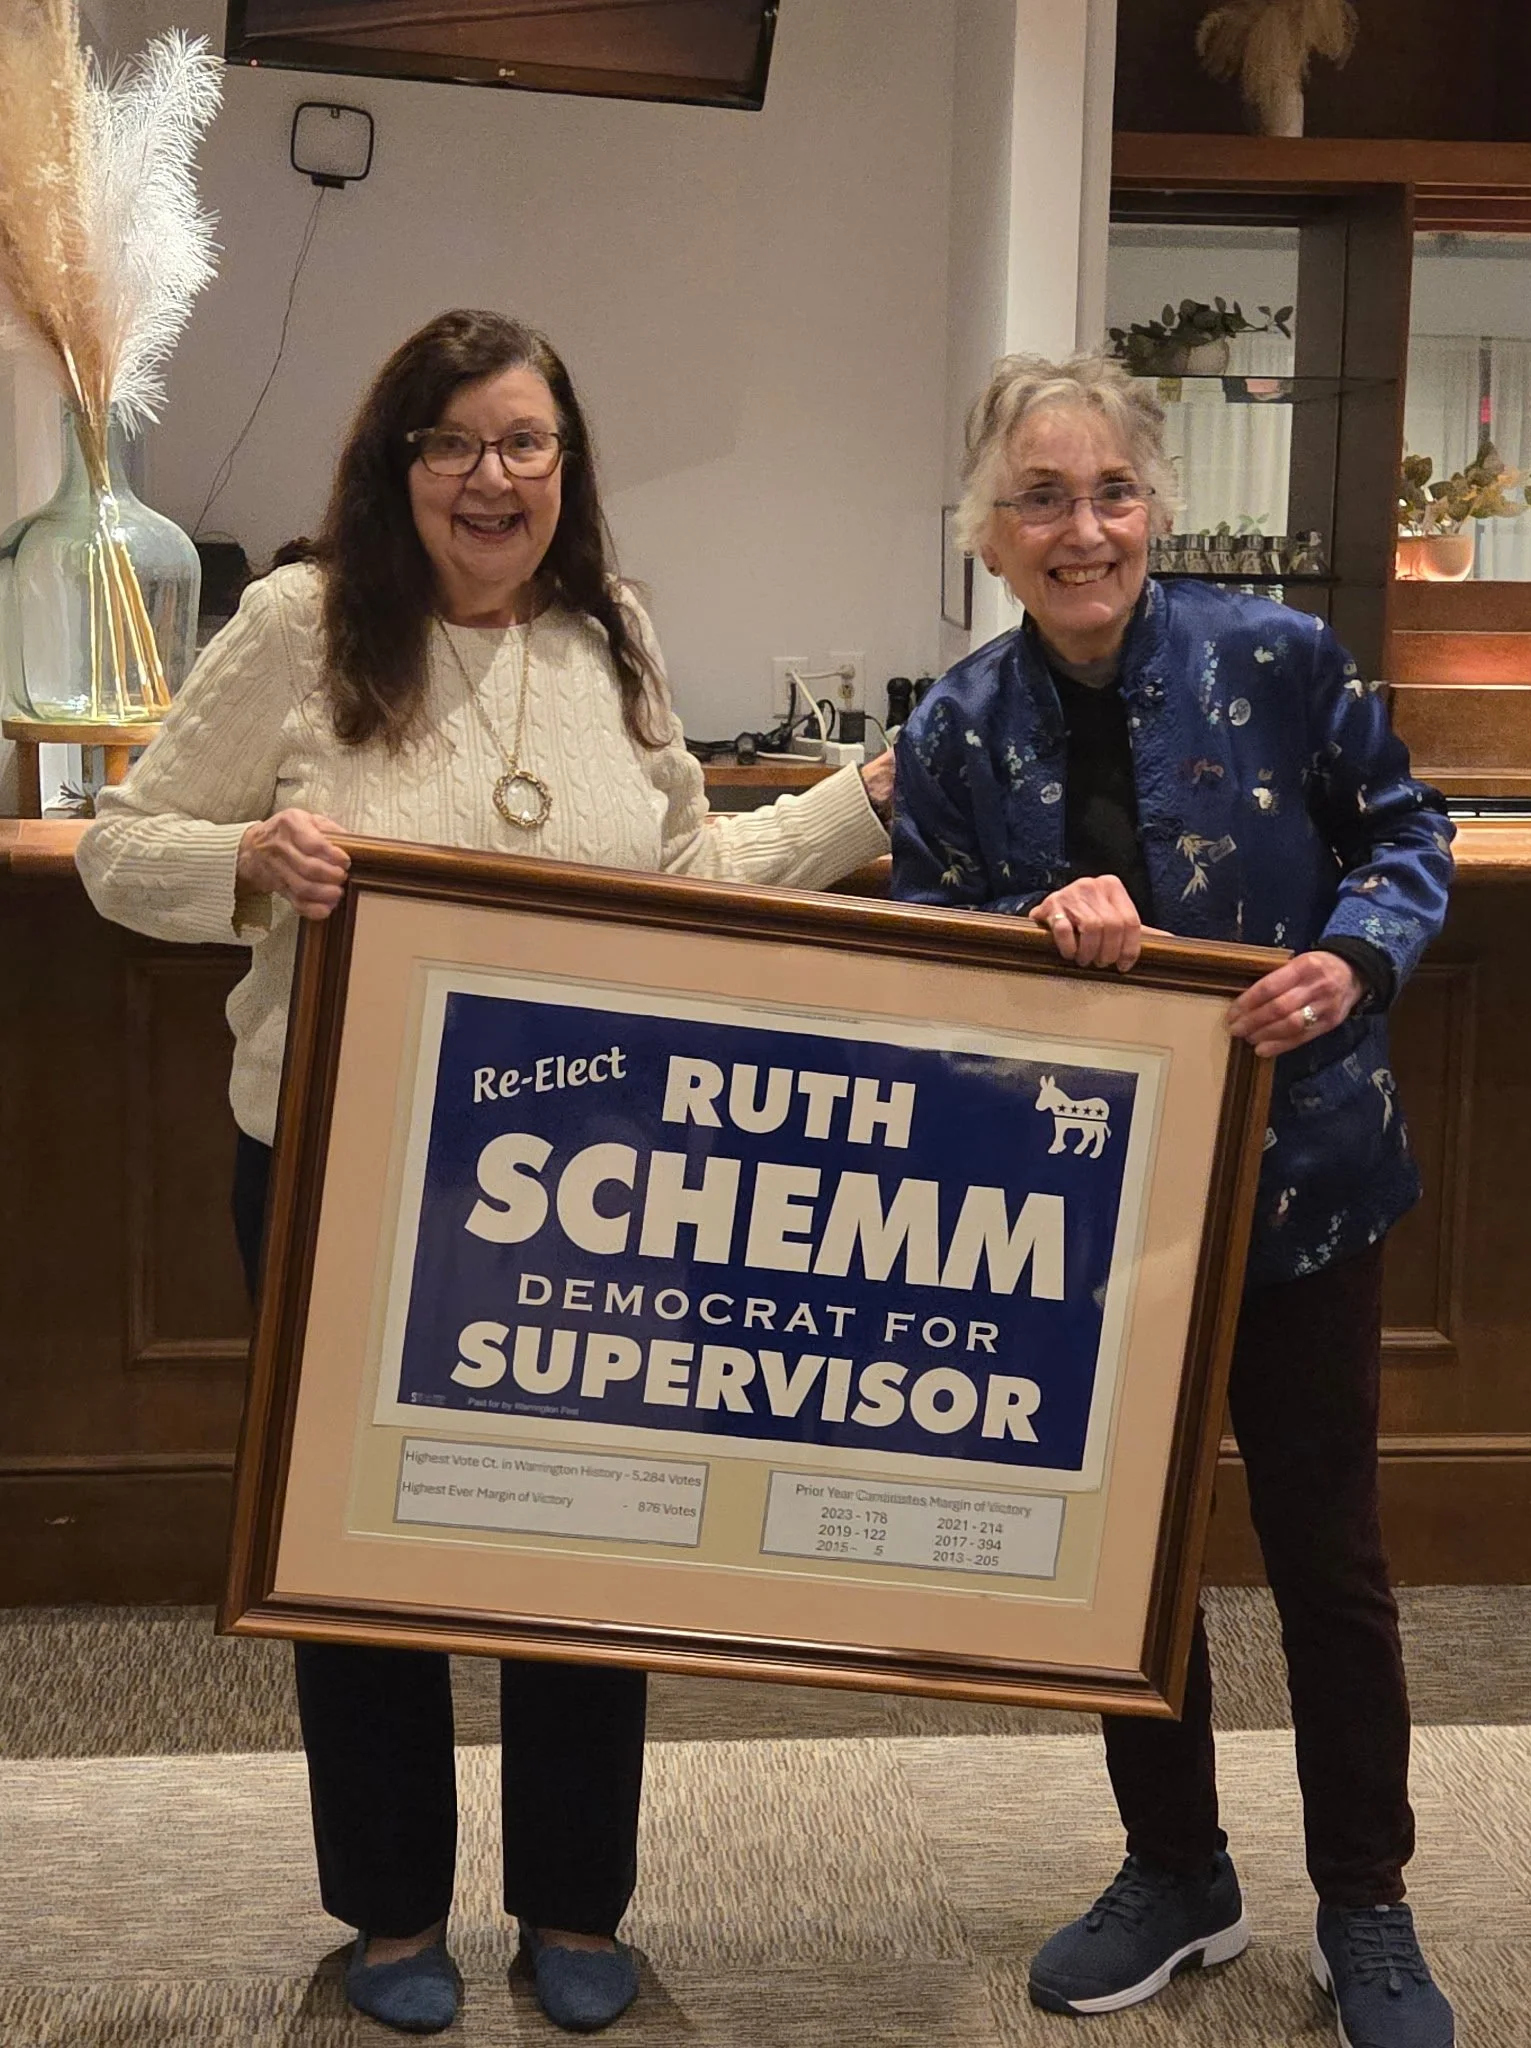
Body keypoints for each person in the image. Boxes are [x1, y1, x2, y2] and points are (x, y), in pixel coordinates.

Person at [77, 308, 891, 2036]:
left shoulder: (614, 636)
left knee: (585, 1546)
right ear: (397, 465)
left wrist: (862, 800)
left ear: (566, 465)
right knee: (362, 1549)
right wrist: (248, 858)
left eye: (524, 441)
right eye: (450, 442)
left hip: (588, 1187)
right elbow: (118, 846)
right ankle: (391, 1914)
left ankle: (576, 1905)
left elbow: (688, 877)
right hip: (339, 1171)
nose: (490, 476)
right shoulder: (301, 626)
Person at [890, 353, 1455, 2048]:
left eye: (1113, 493)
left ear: (1156, 509)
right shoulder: (953, 725)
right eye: (1043, 499)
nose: (1084, 530)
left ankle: (1367, 1896)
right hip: (1085, 1209)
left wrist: (1352, 961)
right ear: (989, 533)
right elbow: (922, 946)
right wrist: (1024, 933)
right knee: (1125, 1558)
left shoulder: (1280, 659)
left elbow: (1407, 838)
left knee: (1327, 1558)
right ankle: (1177, 1869)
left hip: (1303, 1187)